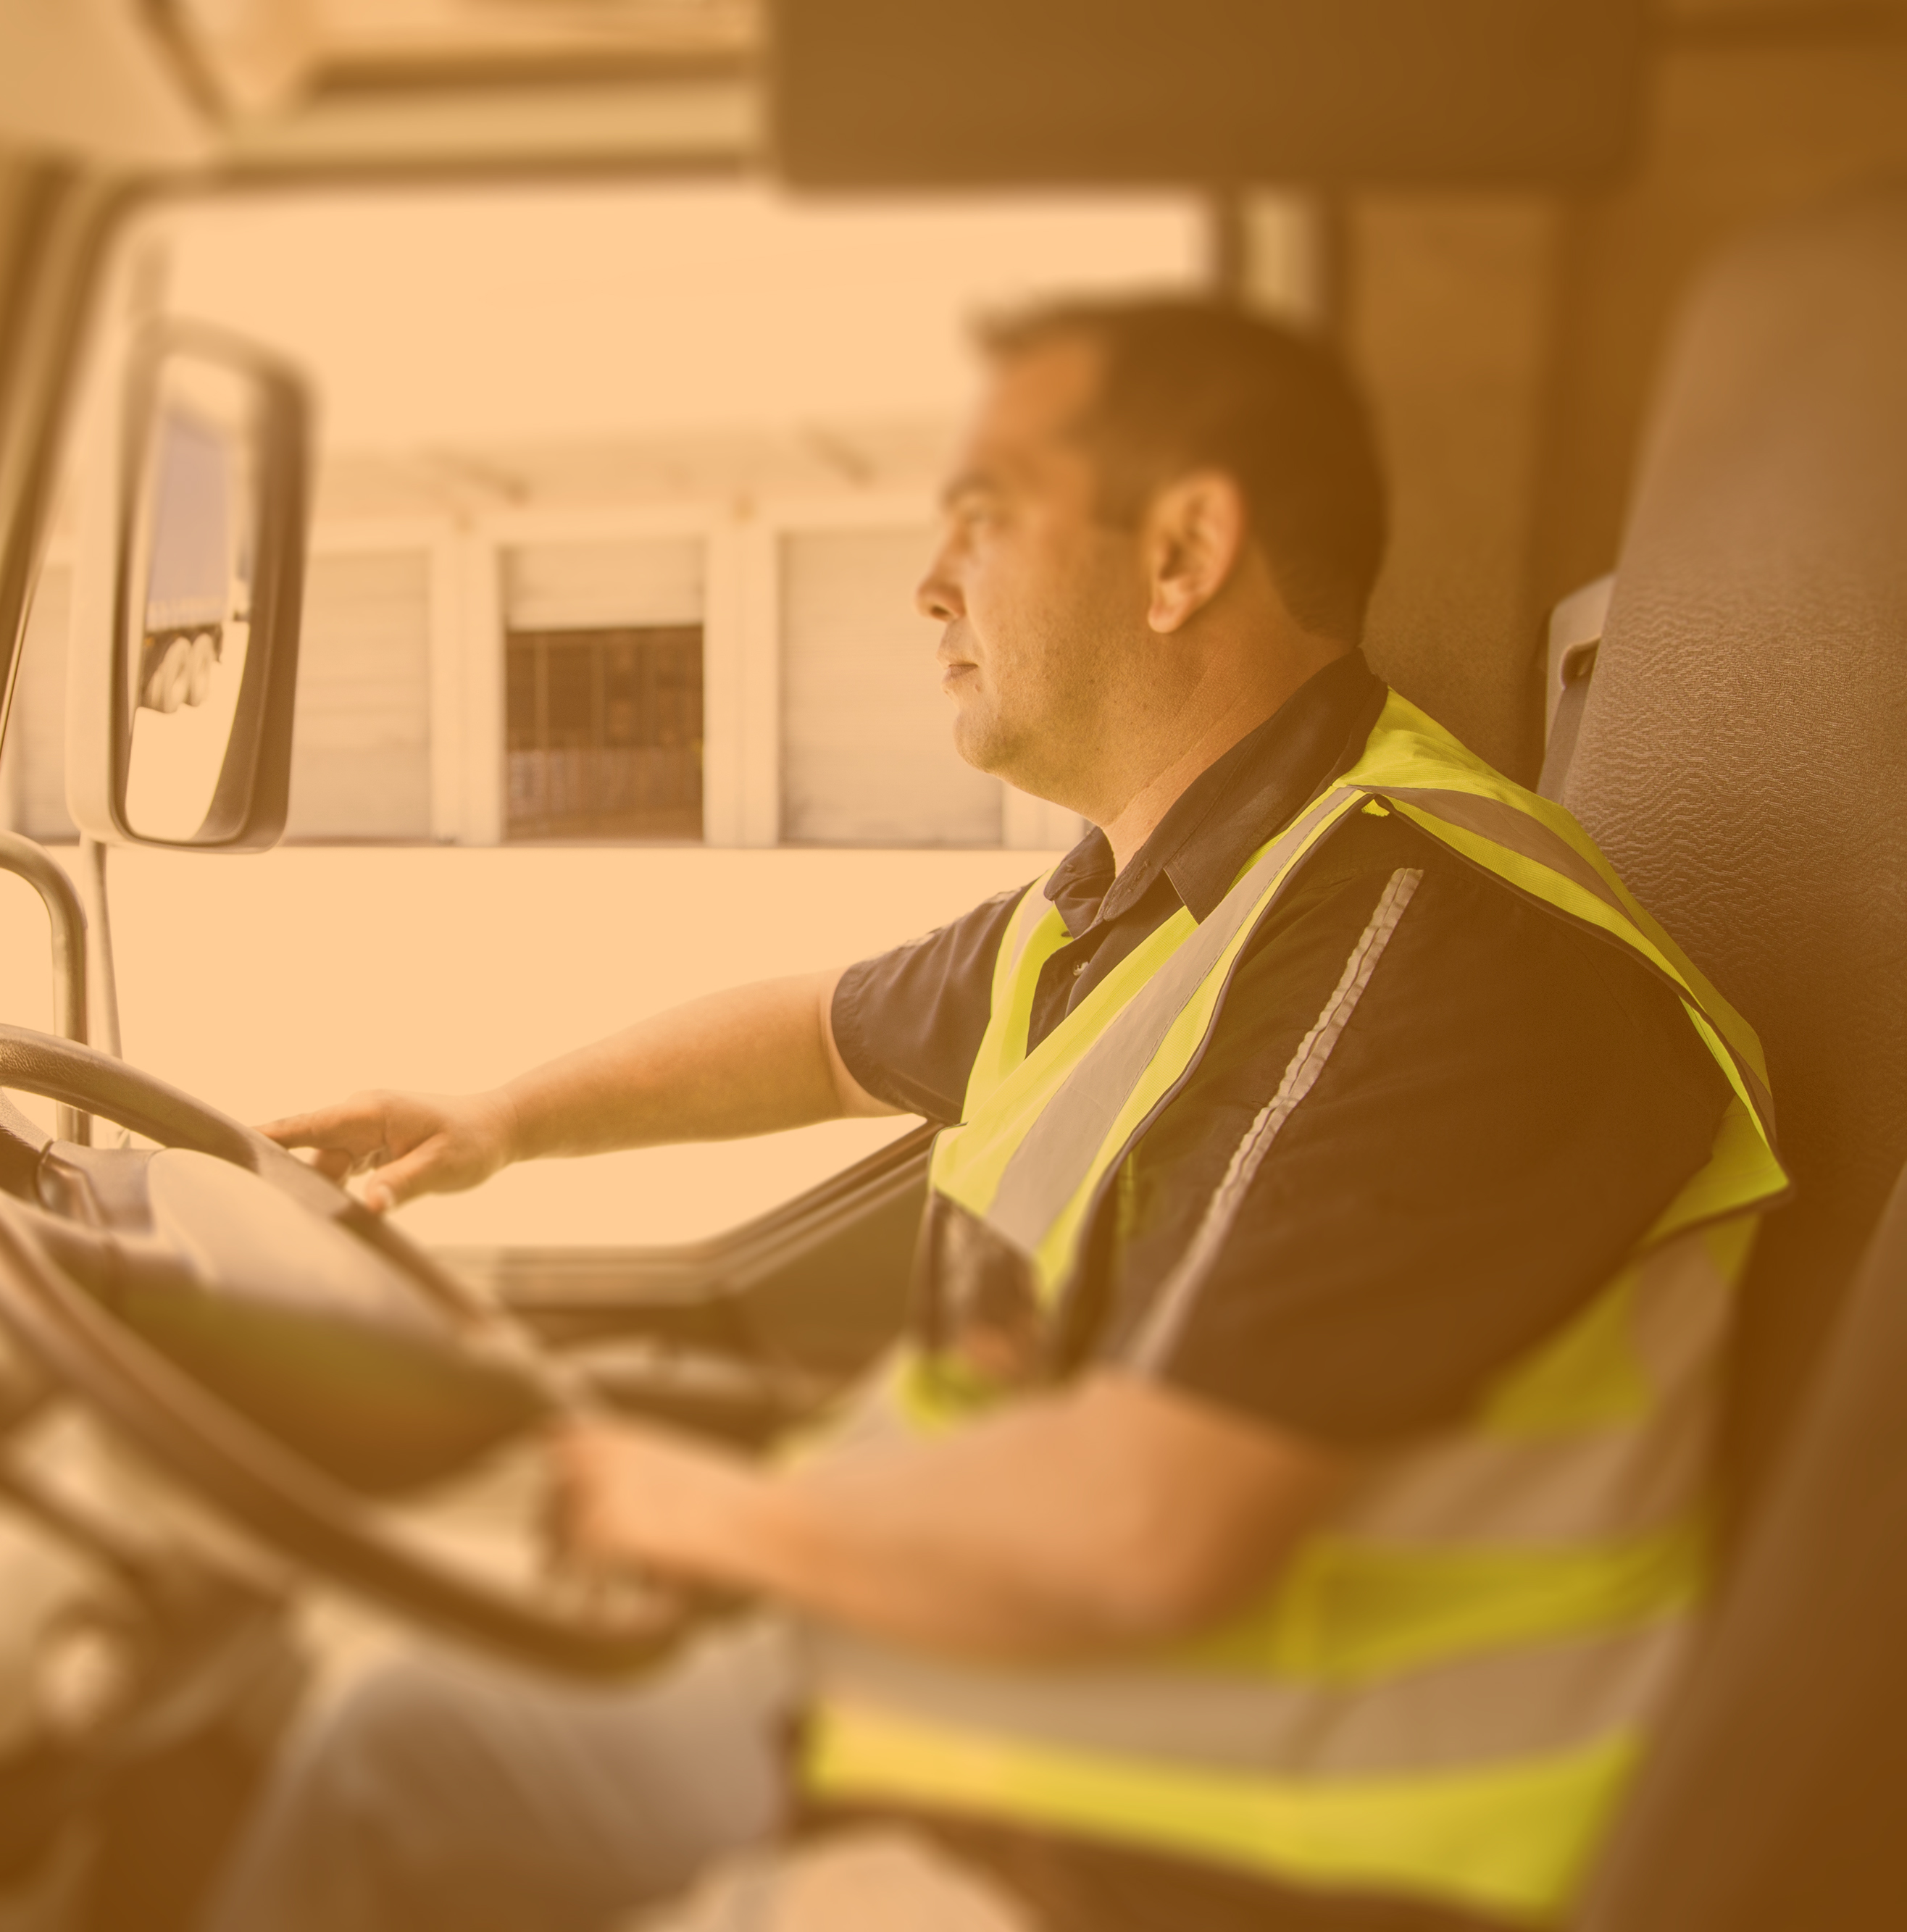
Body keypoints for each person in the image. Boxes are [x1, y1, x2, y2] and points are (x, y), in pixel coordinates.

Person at [203, 298, 1789, 1932]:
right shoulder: (1132, 905)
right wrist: (497, 1118)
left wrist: (708, 1509)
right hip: (1004, 1726)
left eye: (983, 516)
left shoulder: (1433, 941)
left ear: (1178, 554)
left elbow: (1146, 1534)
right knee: (399, 1740)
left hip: (1230, 1854)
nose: (926, 580)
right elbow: (816, 1034)